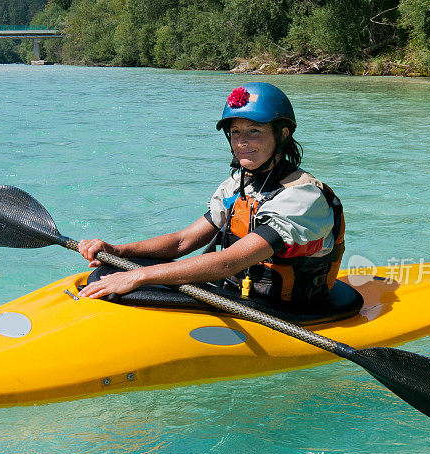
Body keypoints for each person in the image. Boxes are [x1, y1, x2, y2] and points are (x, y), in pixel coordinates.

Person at [77, 82, 344, 310]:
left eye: (254, 131)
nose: (242, 143)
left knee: (135, 276)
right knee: (119, 268)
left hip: (286, 309)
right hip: (237, 291)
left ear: (282, 134)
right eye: (235, 133)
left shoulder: (302, 198)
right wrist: (118, 250)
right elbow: (183, 242)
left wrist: (138, 277)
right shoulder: (238, 186)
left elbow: (230, 261)